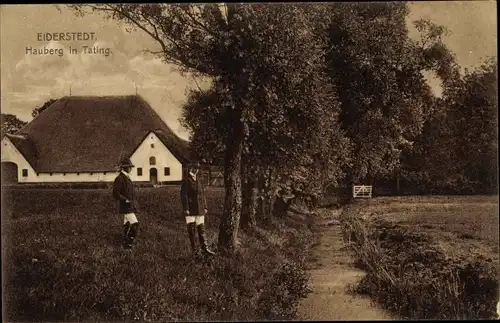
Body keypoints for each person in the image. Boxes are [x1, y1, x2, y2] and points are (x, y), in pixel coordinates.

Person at [180, 161, 216, 256]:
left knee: (201, 229)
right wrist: (186, 208)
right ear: (190, 168)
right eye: (194, 168)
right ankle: (195, 251)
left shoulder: (199, 179)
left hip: (199, 208)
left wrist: (205, 206)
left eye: (197, 168)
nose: (195, 170)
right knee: (192, 231)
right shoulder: (186, 180)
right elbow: (184, 195)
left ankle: (205, 248)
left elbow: (202, 194)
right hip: (190, 209)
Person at [113, 158, 139, 249]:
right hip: (124, 206)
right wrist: (125, 200)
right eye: (129, 167)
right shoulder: (119, 178)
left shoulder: (127, 178)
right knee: (135, 224)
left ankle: (125, 243)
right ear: (125, 168)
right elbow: (116, 193)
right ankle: (128, 244)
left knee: (127, 225)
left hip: (129, 206)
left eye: (131, 167)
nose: (131, 168)